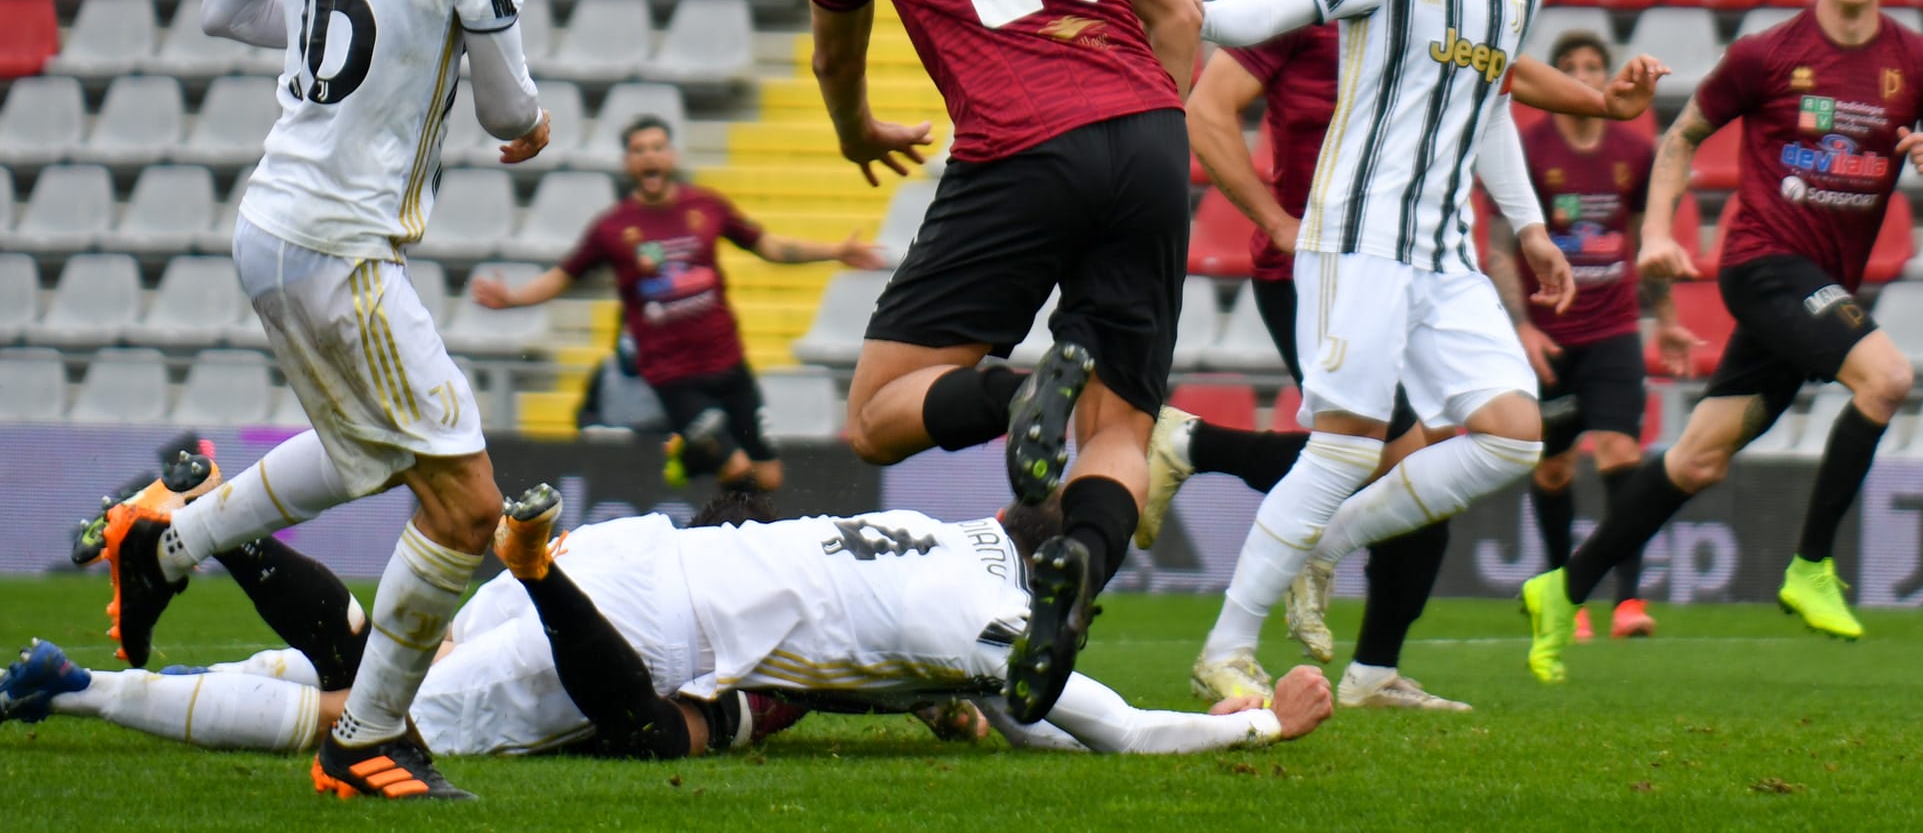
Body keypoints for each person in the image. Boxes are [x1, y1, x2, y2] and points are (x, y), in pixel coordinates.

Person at [98, 0, 546, 800]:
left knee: (359, 454)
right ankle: (367, 738)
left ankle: (165, 542)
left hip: (272, 217)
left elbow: (223, 9)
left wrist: (338, 62)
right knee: (466, 505)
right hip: (341, 240)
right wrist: (530, 125)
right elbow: (504, 105)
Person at [1150, 0, 1661, 709]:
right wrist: (1179, 12)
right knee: (1344, 447)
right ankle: (1227, 647)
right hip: (1355, 237)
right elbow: (1279, 11)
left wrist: (1531, 225)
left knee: (1511, 430)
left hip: (1444, 251)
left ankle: (1326, 543)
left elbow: (1486, 102)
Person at [790, 0, 1205, 723]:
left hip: (1019, 145)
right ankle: (1072, 564)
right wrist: (1153, 134)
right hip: (1146, 130)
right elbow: (1182, 17)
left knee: (877, 415)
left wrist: (854, 134)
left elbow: (835, 60)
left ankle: (1017, 395)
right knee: (1121, 428)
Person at [1519, 0, 1923, 682]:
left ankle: (1562, 589)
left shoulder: (1922, 66)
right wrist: (1659, 231)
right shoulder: (1766, 54)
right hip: (1762, 266)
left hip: (1814, 290)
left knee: (1698, 460)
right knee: (1889, 376)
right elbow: (1681, 137)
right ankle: (1809, 566)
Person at [4, 486, 1334, 760]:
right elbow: (1093, 728)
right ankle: (91, 667)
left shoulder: (938, 527)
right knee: (353, 717)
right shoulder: (995, 618)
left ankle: (163, 560)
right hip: (642, 628)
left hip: (635, 552)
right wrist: (1250, 726)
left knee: (396, 659)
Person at [471, 115, 887, 494]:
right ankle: (704, 488)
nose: (649, 156)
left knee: (769, 477)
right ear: (628, 162)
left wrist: (834, 250)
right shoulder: (613, 228)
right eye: (639, 150)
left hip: (730, 365)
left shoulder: (705, 207)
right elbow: (563, 276)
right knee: (739, 471)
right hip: (676, 378)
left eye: (656, 147)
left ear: (671, 155)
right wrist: (513, 299)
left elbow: (771, 246)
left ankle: (689, 459)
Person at [1488, 31, 1699, 642]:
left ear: (1608, 78)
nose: (1583, 77)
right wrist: (1522, 327)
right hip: (1550, 336)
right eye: (1571, 69)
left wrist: (1670, 321)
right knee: (1553, 470)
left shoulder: (1632, 151)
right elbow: (1501, 244)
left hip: (1613, 329)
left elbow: (1641, 240)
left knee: (1622, 455)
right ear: (1557, 84)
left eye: (1593, 67)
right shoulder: (1526, 149)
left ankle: (1628, 599)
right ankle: (1564, 596)